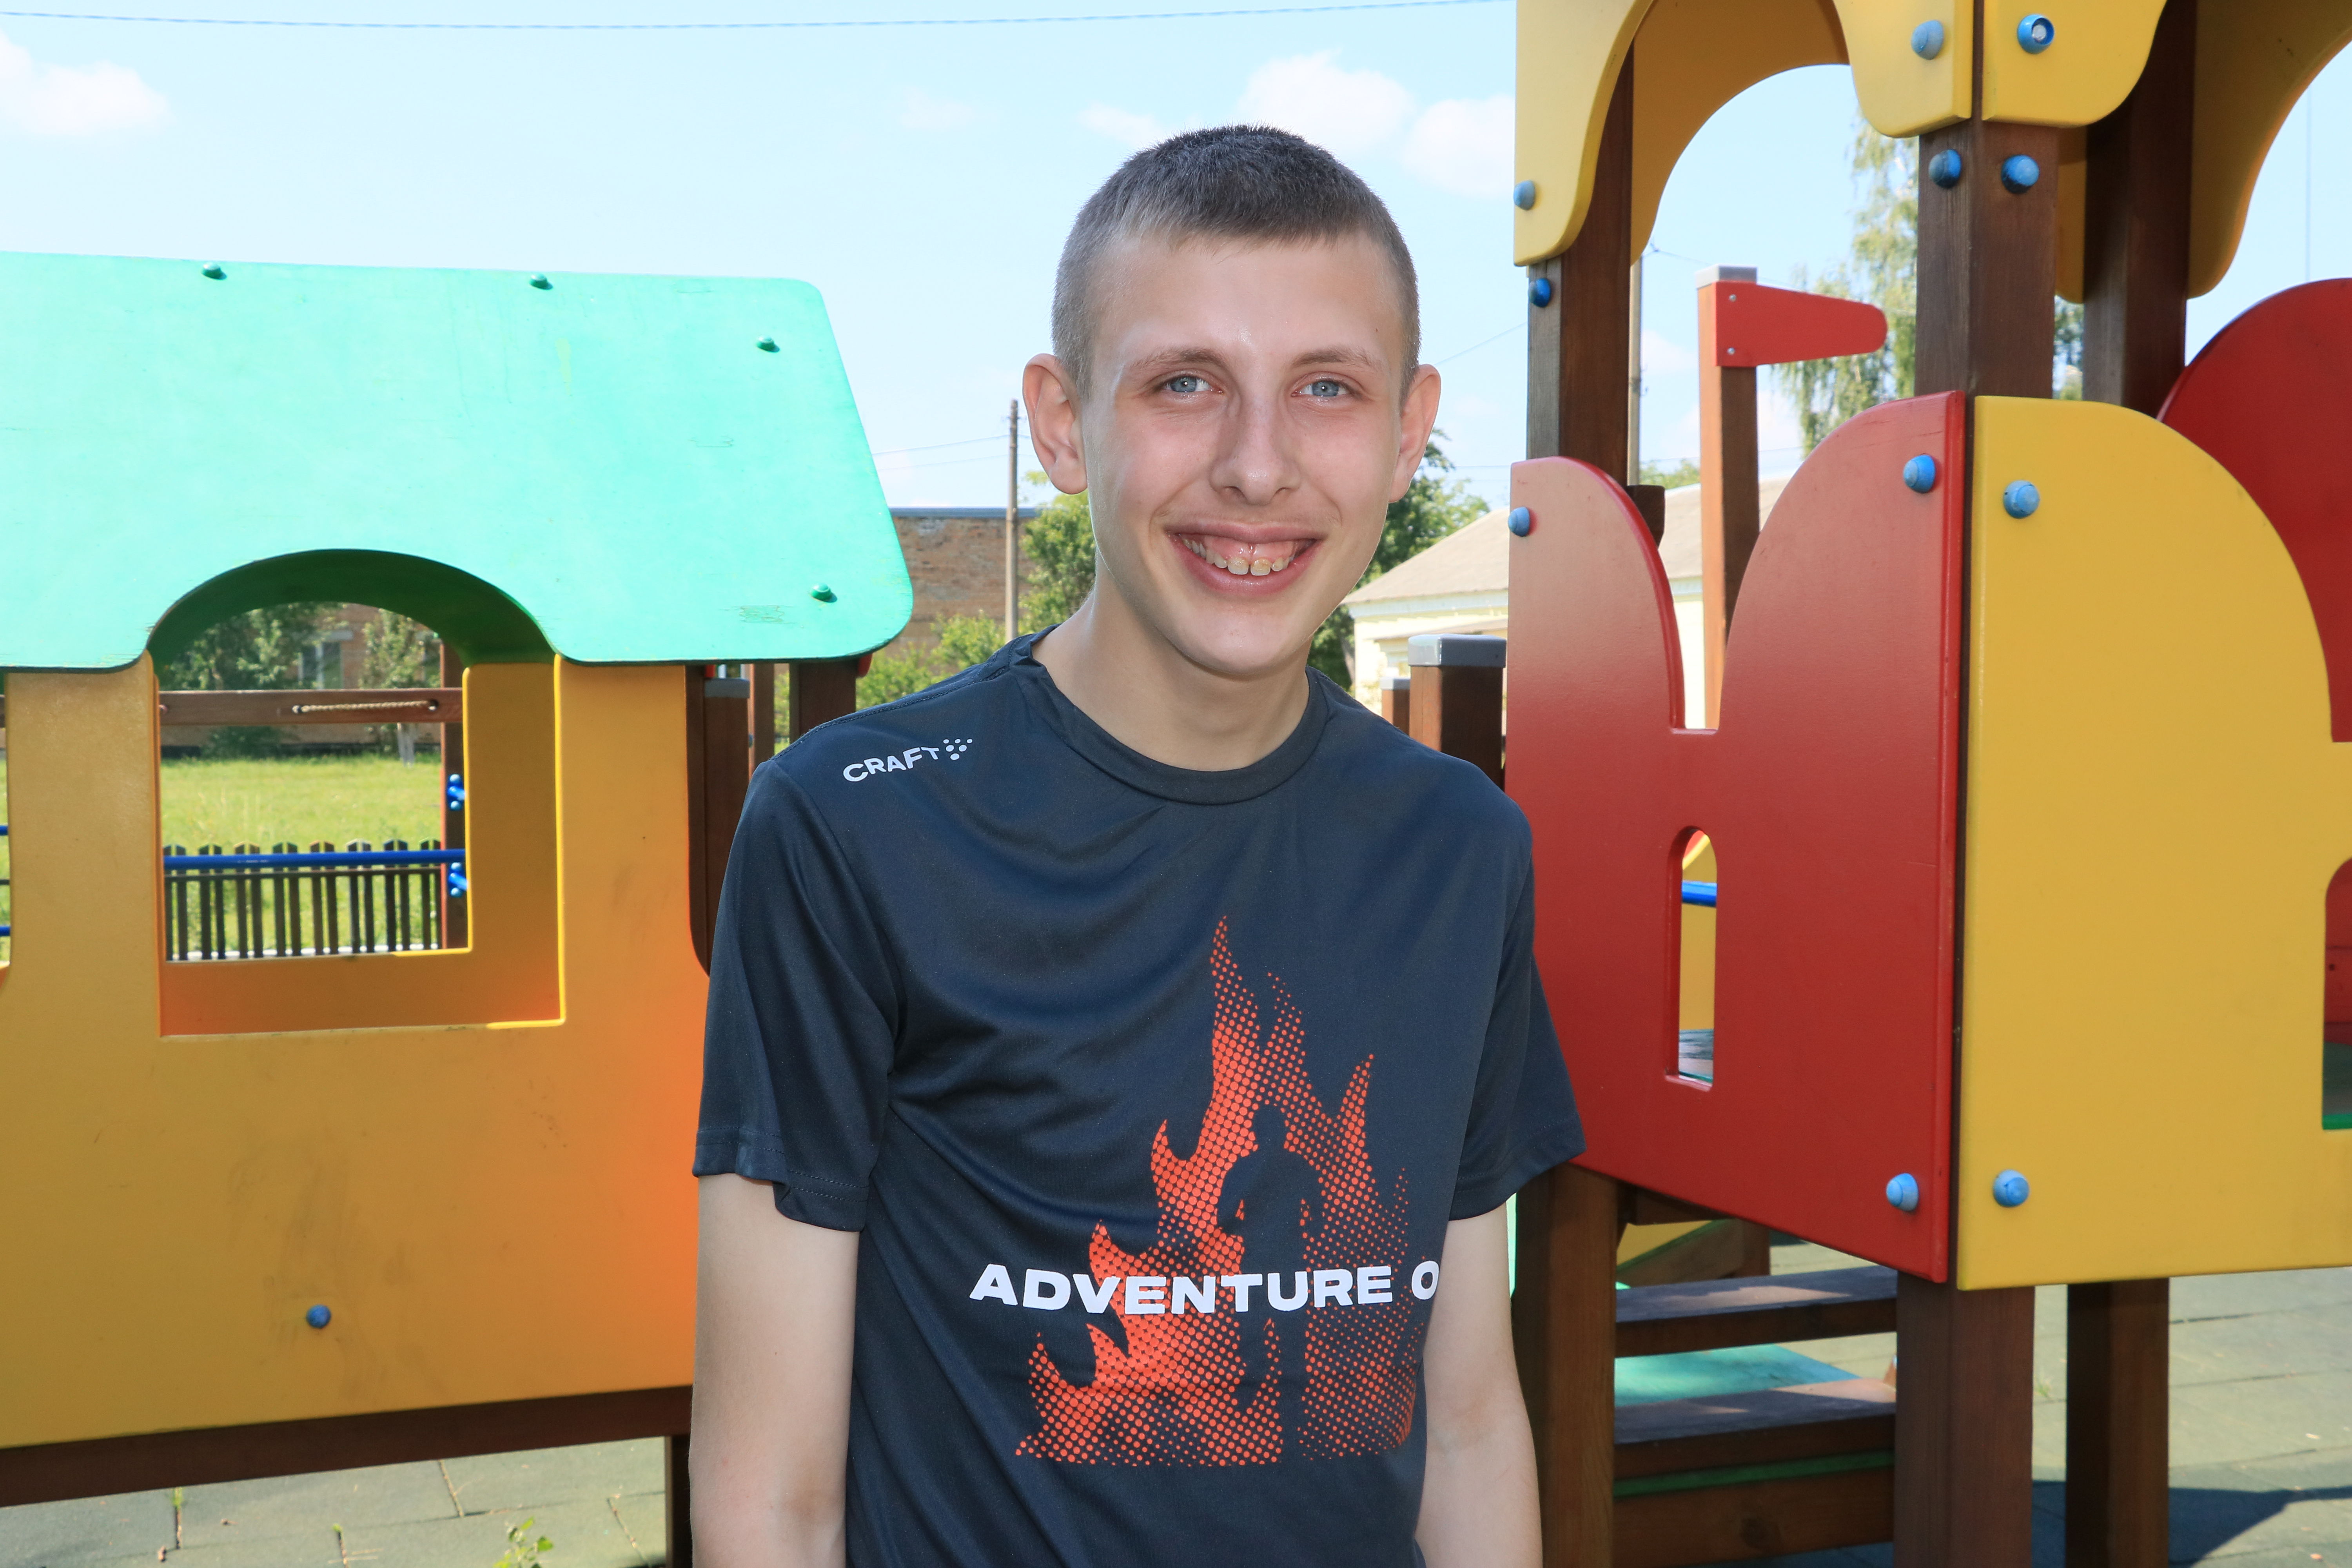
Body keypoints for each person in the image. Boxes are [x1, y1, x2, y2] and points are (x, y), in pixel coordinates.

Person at [689, 125, 1583, 1568]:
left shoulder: (1459, 847)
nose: (1257, 467)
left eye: (1327, 389)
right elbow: (771, 1497)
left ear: (1409, 428)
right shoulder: (853, 828)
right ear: (1061, 423)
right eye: (1184, 384)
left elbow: (1467, 1419)